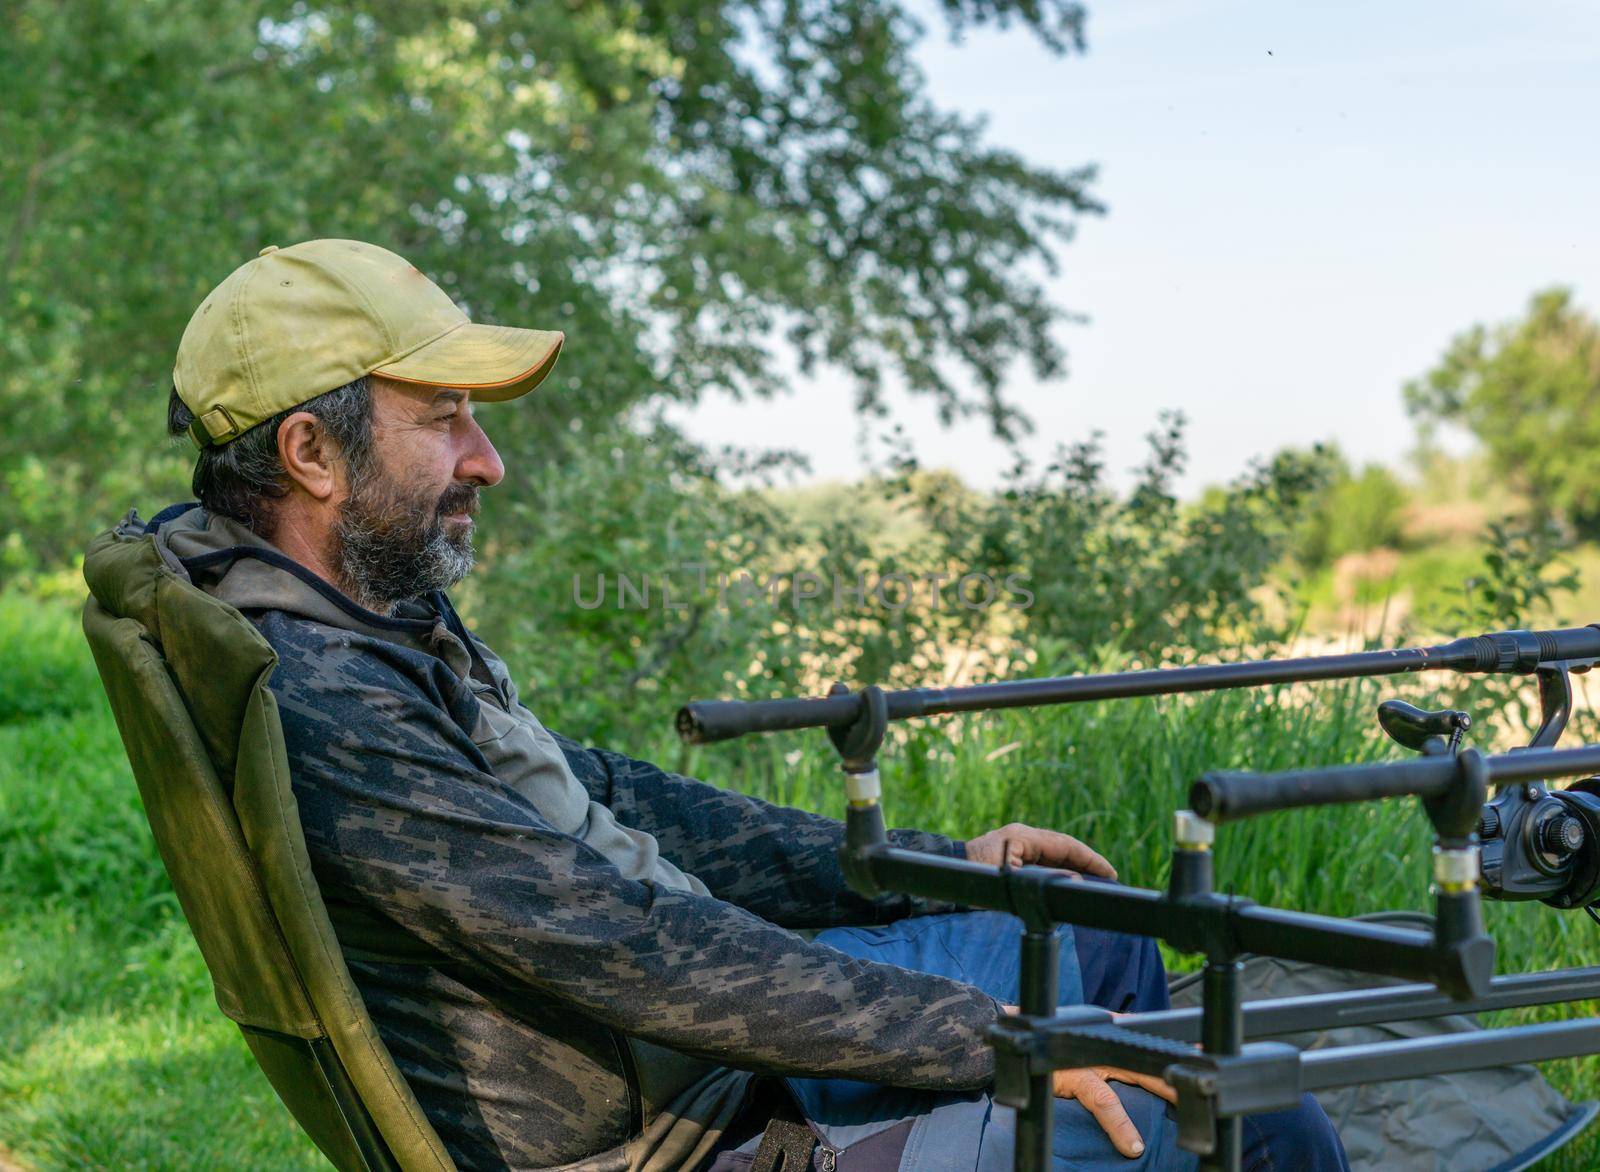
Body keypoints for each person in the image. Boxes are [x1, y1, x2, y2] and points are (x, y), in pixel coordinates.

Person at [154, 239, 1346, 1171]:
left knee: (1083, 921)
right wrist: (994, 1037)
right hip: (701, 1134)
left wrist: (940, 864)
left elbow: (613, 797)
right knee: (1251, 1121)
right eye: (443, 416)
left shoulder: (356, 610)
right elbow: (626, 945)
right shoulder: (322, 696)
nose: (486, 459)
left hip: (698, 1055)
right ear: (312, 452)